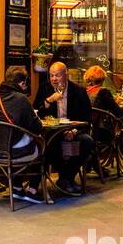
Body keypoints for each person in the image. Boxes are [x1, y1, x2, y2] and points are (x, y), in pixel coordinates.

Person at [0, 65, 46, 205]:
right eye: (25, 84)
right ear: (21, 83)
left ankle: (16, 187)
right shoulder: (21, 99)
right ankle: (32, 191)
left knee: (17, 140)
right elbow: (37, 127)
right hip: (13, 153)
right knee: (43, 145)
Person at [33, 61, 95, 196]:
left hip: (73, 131)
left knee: (87, 141)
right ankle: (67, 180)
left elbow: (87, 118)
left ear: (66, 75)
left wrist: (74, 131)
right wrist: (49, 100)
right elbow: (36, 112)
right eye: (51, 76)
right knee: (50, 144)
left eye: (57, 76)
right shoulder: (45, 89)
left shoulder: (78, 91)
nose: (54, 79)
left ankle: (66, 178)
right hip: (53, 132)